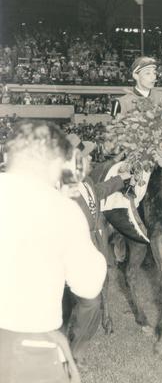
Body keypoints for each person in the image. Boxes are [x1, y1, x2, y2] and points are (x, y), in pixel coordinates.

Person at [0, 121, 107, 383]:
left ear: (7, 155)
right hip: (24, 347)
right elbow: (90, 287)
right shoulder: (62, 209)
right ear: (58, 163)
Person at [63, 133, 131, 367]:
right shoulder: (61, 188)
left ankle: (75, 351)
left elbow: (101, 190)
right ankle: (64, 349)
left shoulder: (88, 182)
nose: (92, 159)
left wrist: (122, 178)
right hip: (71, 252)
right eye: (88, 156)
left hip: (92, 250)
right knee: (71, 304)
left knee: (90, 303)